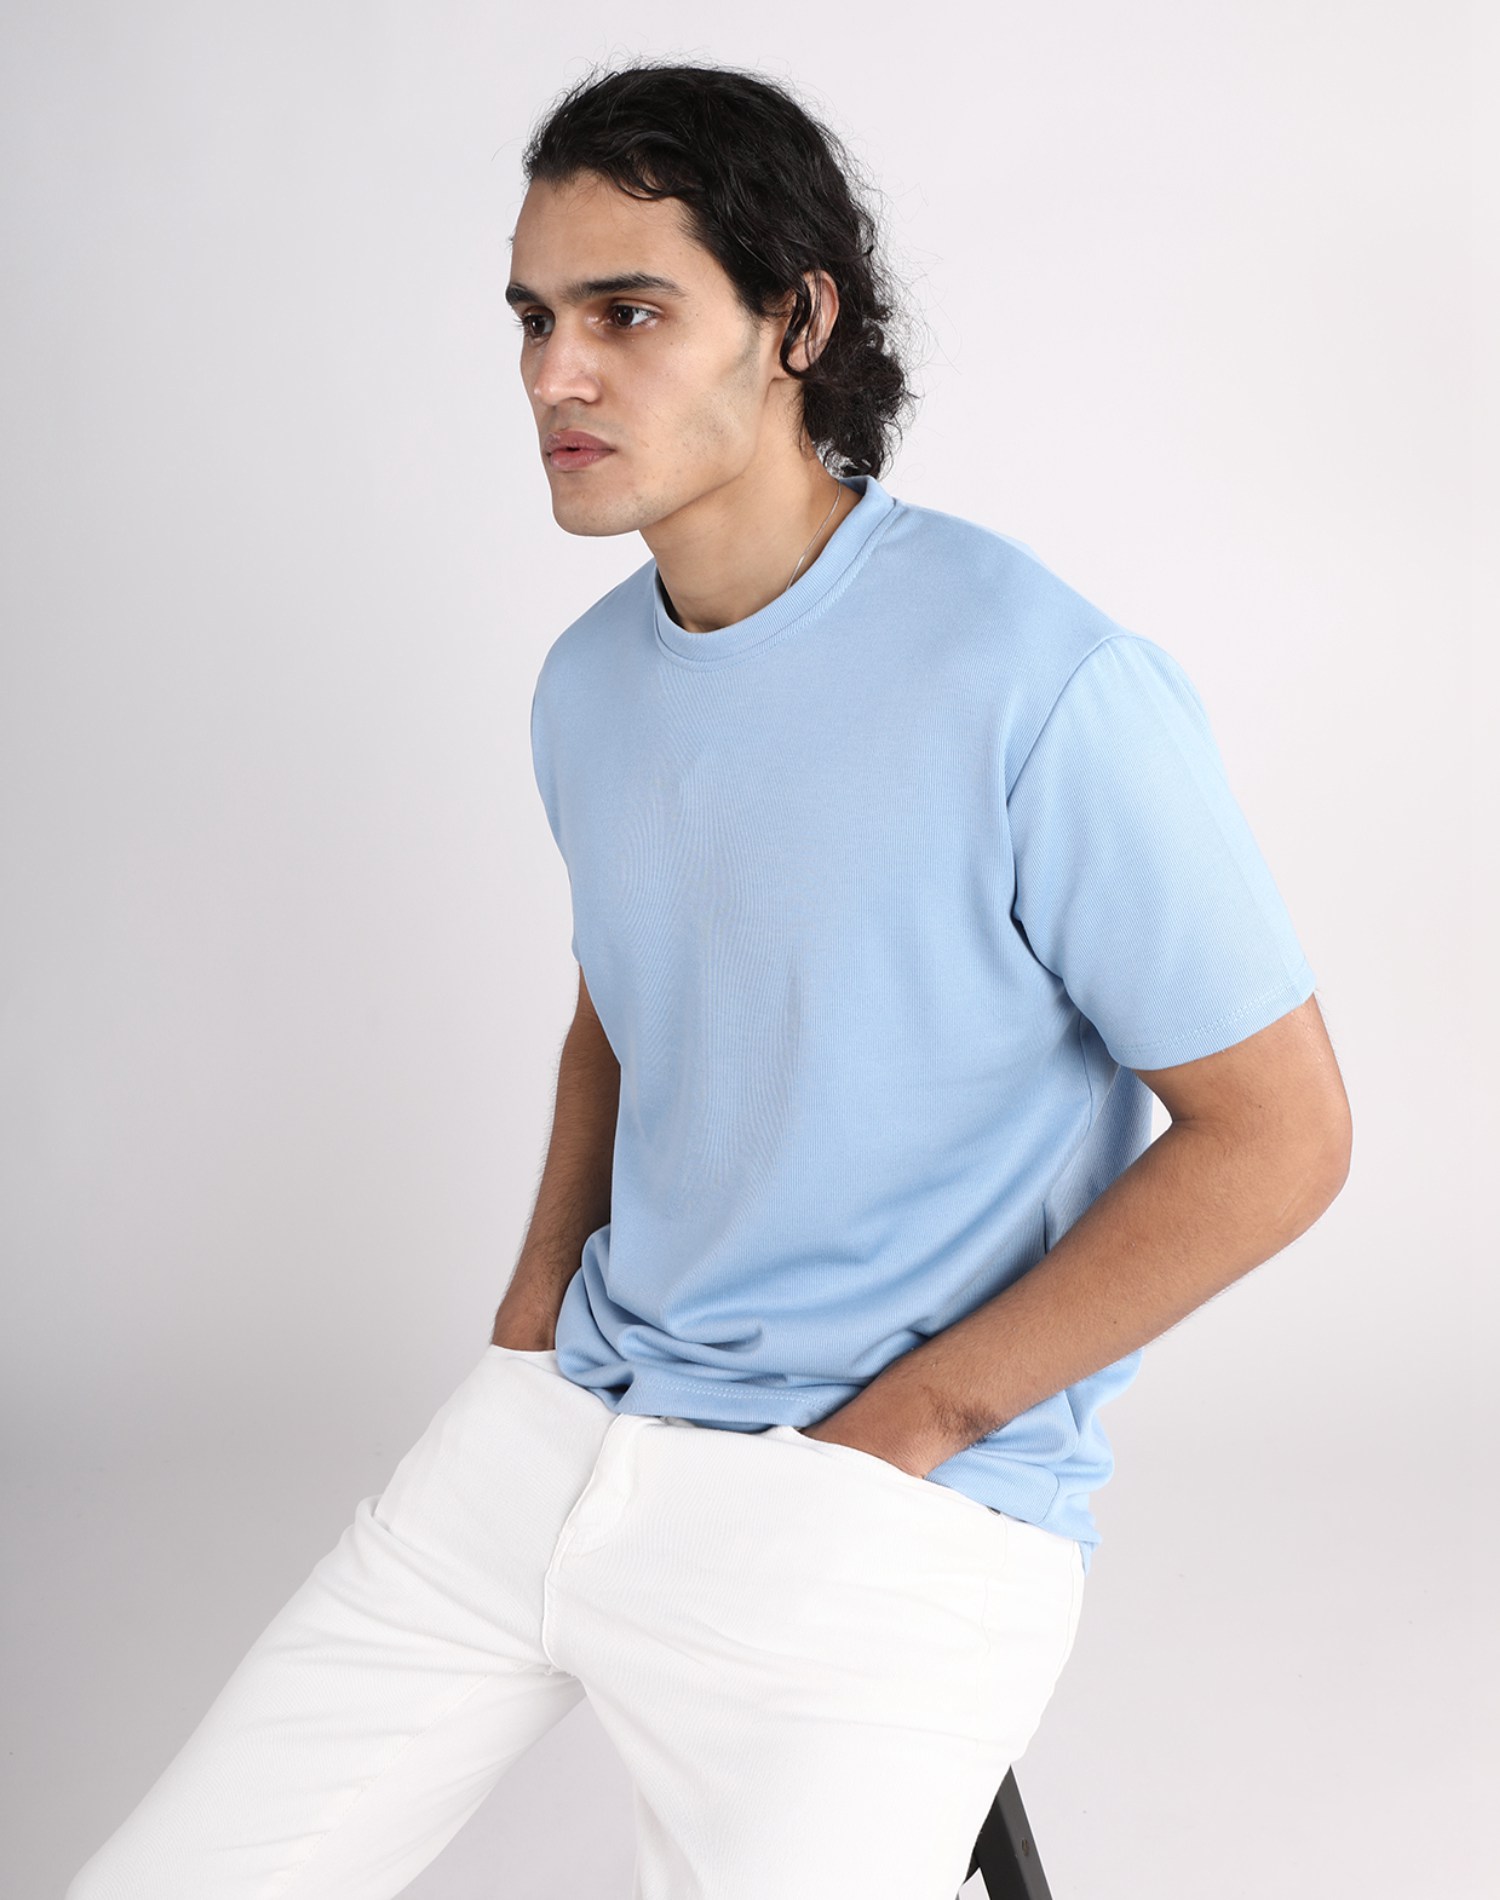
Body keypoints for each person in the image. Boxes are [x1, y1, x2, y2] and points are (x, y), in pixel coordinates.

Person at [66, 57, 1352, 1900]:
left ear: (796, 321)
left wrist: (916, 1426)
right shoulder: (589, 684)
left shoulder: (1039, 676)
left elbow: (1281, 1134)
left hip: (868, 1508)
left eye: (628, 312)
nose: (555, 376)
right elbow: (632, 990)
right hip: (562, 1431)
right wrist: (532, 1326)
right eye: (534, 319)